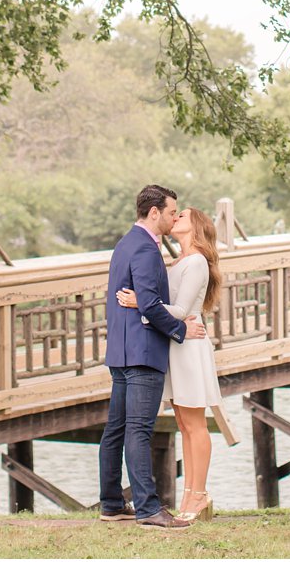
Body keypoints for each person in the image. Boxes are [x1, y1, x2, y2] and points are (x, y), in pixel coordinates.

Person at [98, 184, 207, 529]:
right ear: (155, 212)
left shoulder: (124, 243)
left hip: (120, 349)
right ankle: (148, 508)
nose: (175, 217)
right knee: (139, 430)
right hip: (143, 352)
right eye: (172, 211)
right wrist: (180, 331)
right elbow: (148, 303)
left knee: (116, 429)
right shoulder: (146, 249)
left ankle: (112, 503)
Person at [117, 205, 223, 521]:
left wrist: (141, 302)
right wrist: (150, 306)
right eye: (174, 214)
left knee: (194, 423)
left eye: (183, 216)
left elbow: (179, 310)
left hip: (188, 346)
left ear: (197, 227)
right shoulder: (177, 260)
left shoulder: (197, 262)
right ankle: (190, 494)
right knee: (183, 423)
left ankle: (198, 494)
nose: (175, 218)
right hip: (175, 346)